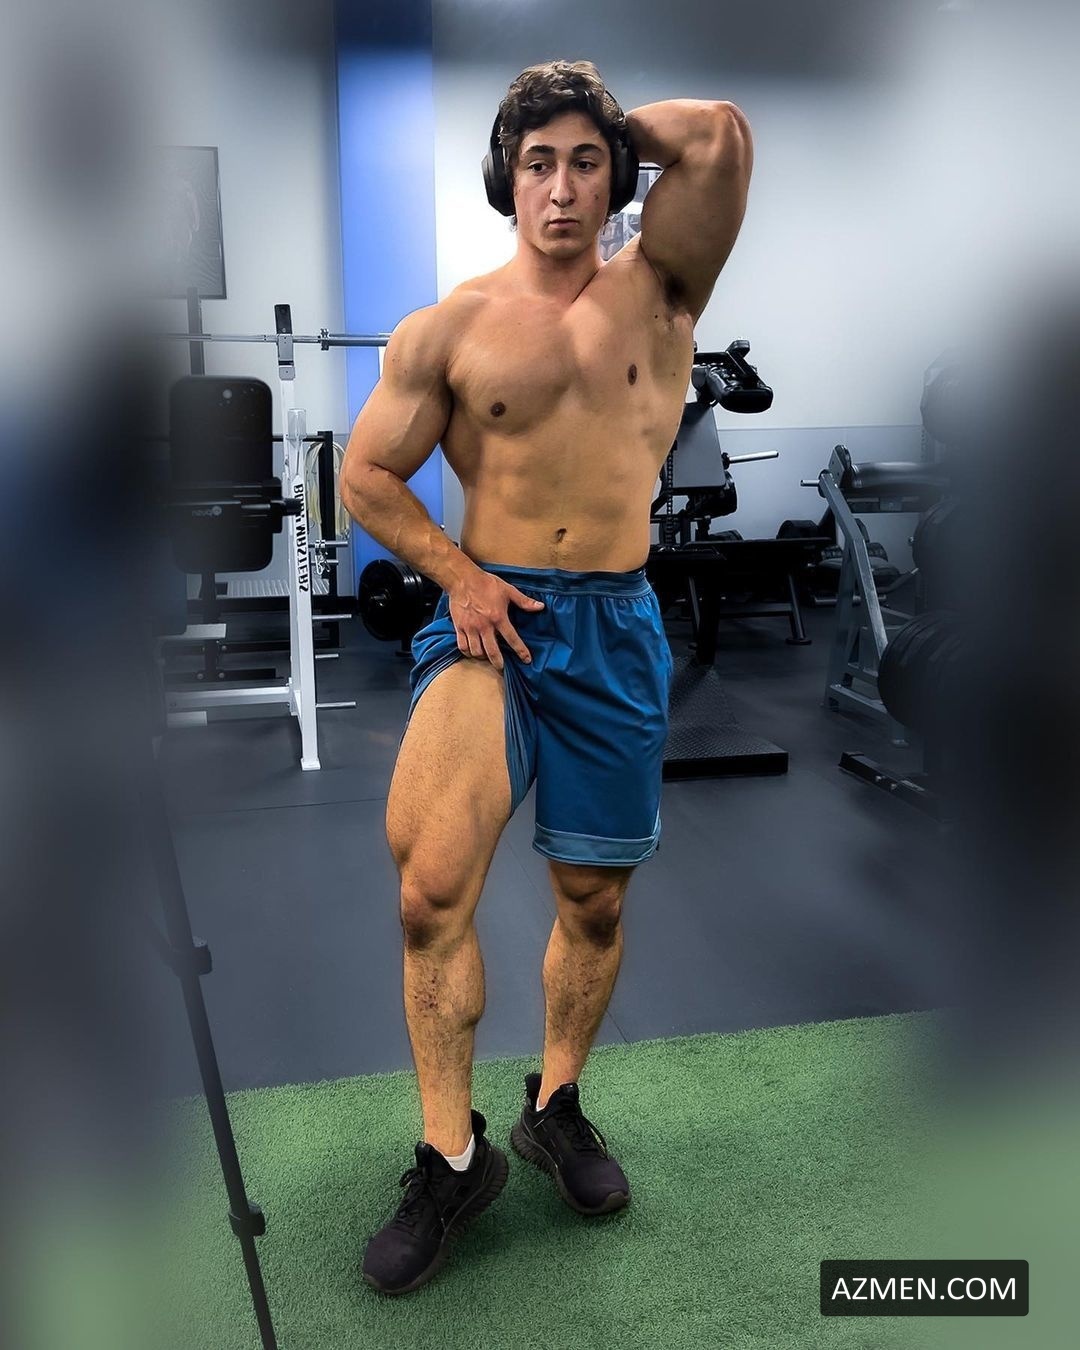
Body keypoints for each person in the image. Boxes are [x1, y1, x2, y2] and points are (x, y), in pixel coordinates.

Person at [340, 59, 752, 1296]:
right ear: (504, 181)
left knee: (594, 903)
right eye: (536, 164)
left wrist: (607, 122)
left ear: (615, 175)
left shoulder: (664, 291)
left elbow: (720, 138)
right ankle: (449, 1154)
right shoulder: (451, 329)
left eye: (584, 164)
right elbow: (367, 475)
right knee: (430, 888)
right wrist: (458, 574)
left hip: (615, 623)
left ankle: (555, 1105)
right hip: (495, 618)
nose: (562, 189)